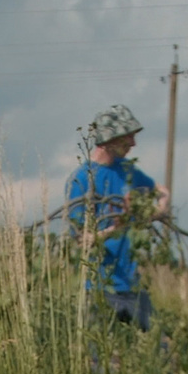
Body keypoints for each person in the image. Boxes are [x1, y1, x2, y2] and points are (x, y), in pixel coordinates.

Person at [63, 104, 170, 331]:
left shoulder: (127, 169)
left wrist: (160, 207)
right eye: (128, 137)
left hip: (132, 284)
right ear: (109, 138)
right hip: (99, 286)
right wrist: (114, 229)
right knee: (102, 362)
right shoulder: (81, 180)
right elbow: (81, 240)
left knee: (160, 352)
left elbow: (160, 190)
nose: (133, 143)